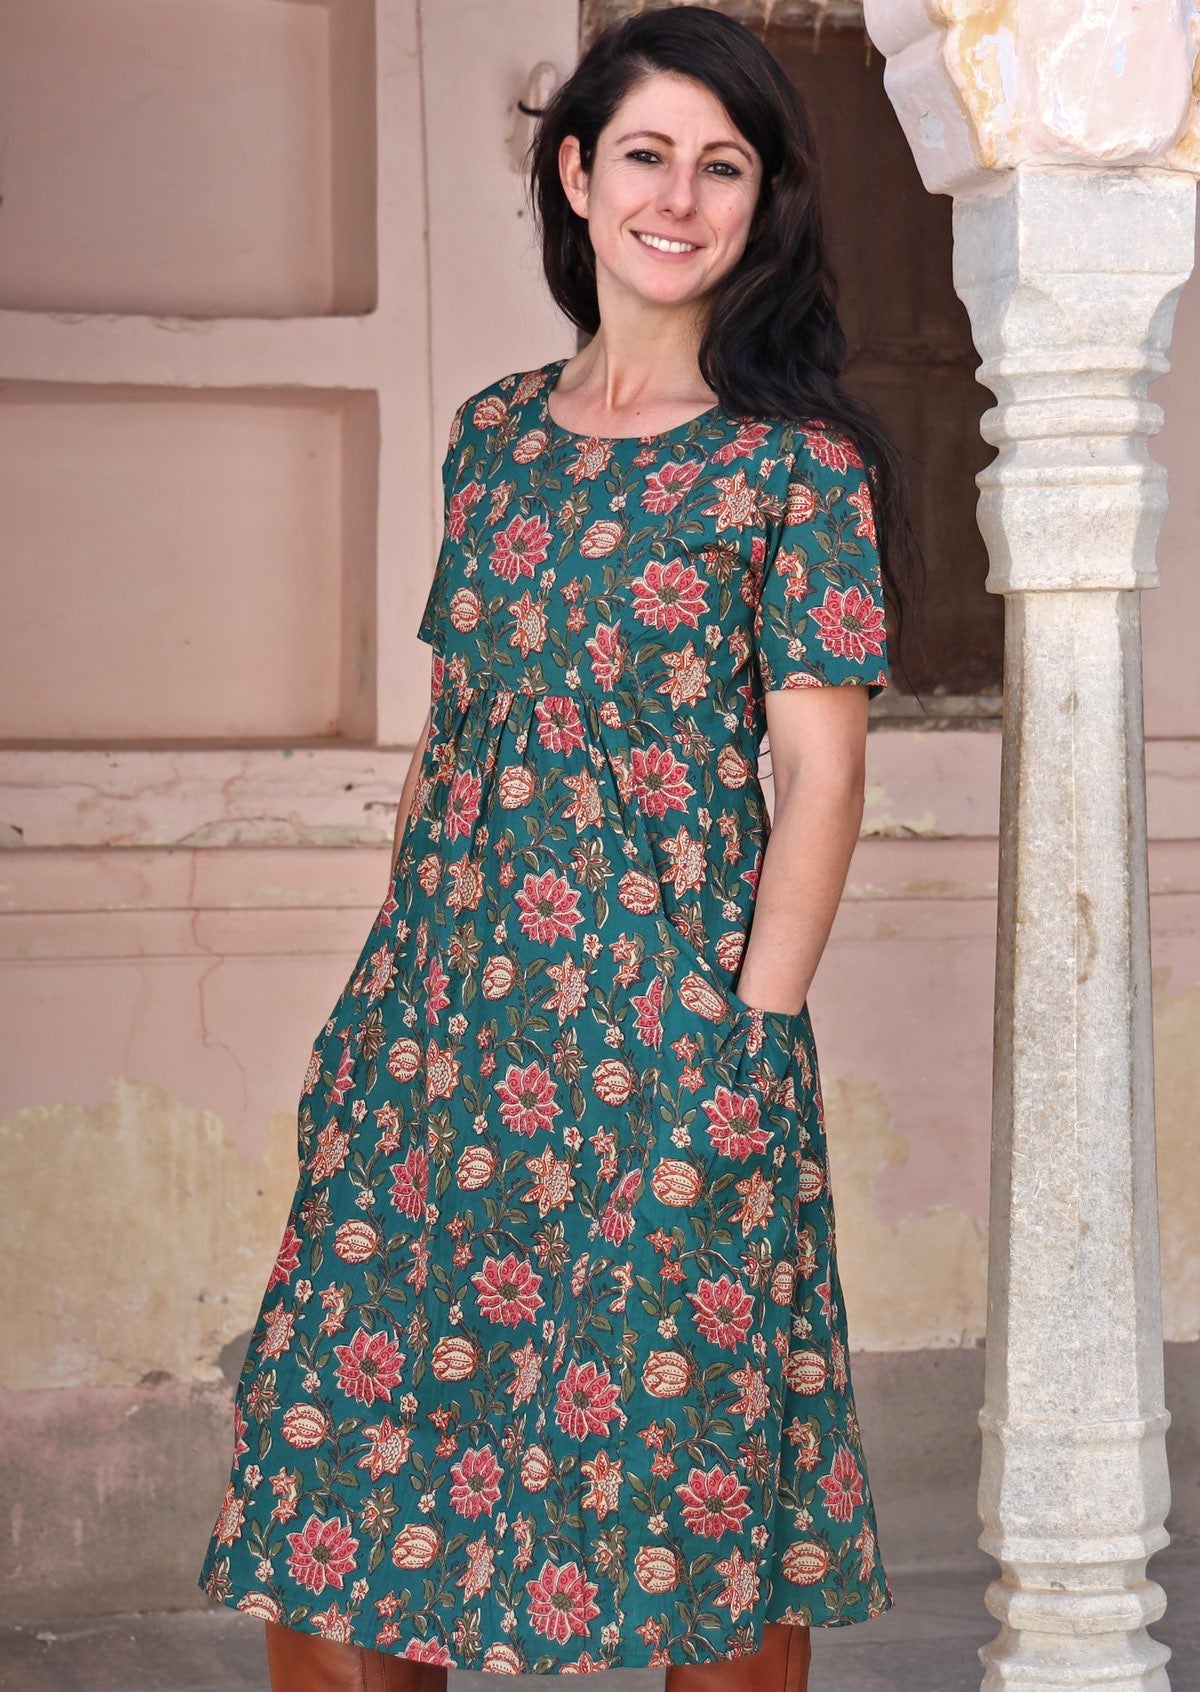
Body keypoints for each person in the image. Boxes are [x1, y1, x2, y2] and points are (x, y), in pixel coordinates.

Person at [200, 7, 920, 1687]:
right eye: (650, 153)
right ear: (578, 174)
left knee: (703, 1496)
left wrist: (747, 1039)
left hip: (668, 1046)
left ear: (764, 204)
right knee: (348, 1479)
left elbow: (822, 777)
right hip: (442, 1047)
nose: (683, 195)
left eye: (724, 165)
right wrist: (383, 994)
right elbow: (459, 741)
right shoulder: (493, 438)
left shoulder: (792, 467)